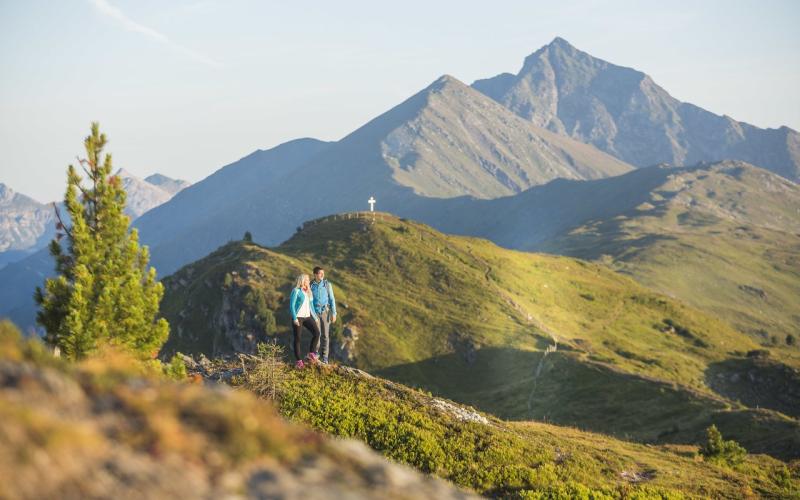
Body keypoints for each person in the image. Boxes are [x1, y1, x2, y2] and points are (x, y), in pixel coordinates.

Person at [289, 273, 321, 369]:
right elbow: (291, 306)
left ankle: (311, 353)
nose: (308, 281)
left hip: (307, 317)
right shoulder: (296, 291)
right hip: (298, 317)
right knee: (298, 338)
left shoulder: (309, 292)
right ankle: (299, 361)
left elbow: (311, 307)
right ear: (302, 280)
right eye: (307, 279)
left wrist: (315, 317)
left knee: (317, 333)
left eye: (308, 279)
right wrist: (294, 318)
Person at [311, 266, 337, 364]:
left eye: (323, 273)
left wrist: (334, 313)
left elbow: (332, 299)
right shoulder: (310, 285)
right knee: (317, 334)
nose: (322, 275)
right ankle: (316, 353)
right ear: (315, 274)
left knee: (325, 335)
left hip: (325, 312)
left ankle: (325, 356)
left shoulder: (327, 285)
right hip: (314, 312)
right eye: (320, 273)